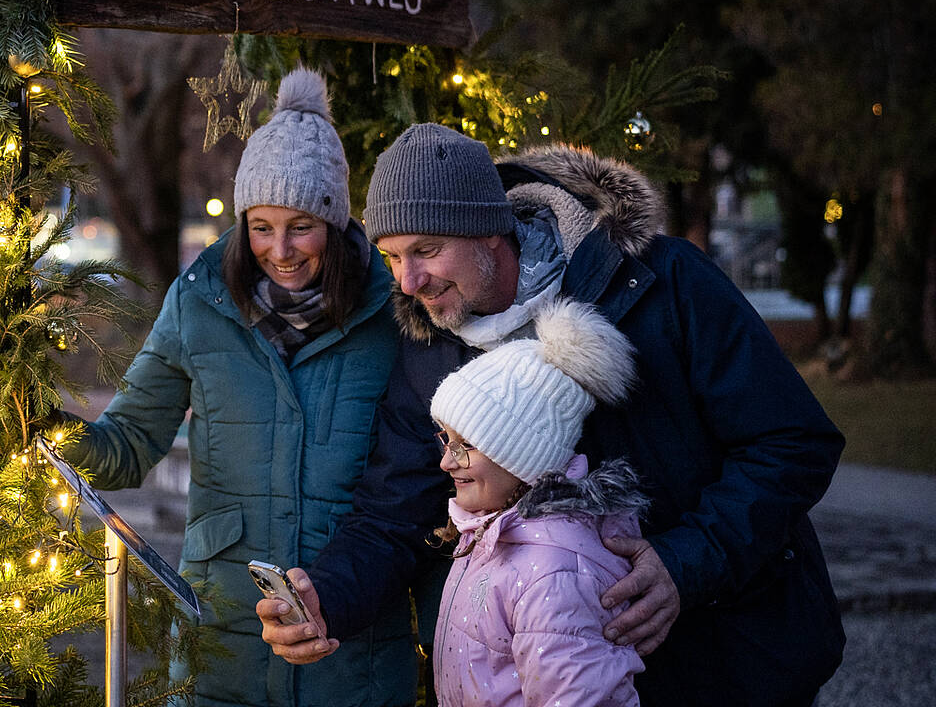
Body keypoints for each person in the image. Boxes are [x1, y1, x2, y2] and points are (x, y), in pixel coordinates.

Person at [256, 124, 845, 706]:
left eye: (427, 250)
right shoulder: (432, 345)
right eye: (391, 257)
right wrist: (326, 596)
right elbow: (393, 512)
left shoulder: (660, 282)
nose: (409, 282)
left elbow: (792, 441)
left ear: (490, 234)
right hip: (556, 681)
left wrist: (685, 562)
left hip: (728, 659)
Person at [56, 68, 420, 707]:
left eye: (301, 226)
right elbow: (131, 443)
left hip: (352, 651)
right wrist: (47, 427)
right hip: (223, 641)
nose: (279, 250)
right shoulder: (200, 303)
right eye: (260, 226)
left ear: (334, 221)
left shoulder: (393, 312)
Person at [427, 297, 647, 707]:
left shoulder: (554, 573)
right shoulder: (488, 531)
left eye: (466, 445)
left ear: (523, 456)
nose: (445, 461)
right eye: (446, 440)